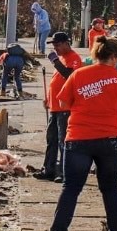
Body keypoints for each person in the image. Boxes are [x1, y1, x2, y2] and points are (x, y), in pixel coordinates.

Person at [44, 36, 117, 231]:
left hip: (79, 139)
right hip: (110, 141)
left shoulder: (78, 75)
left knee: (70, 188)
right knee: (110, 188)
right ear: (114, 57)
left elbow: (62, 101)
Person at [35, 32, 84, 181]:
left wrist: (55, 61)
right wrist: (48, 99)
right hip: (55, 107)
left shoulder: (74, 58)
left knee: (64, 141)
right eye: (54, 46)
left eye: (57, 45)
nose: (55, 48)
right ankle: (48, 169)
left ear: (65, 43)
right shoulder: (62, 58)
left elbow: (69, 75)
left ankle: (63, 172)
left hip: (65, 108)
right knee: (52, 140)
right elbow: (57, 83)